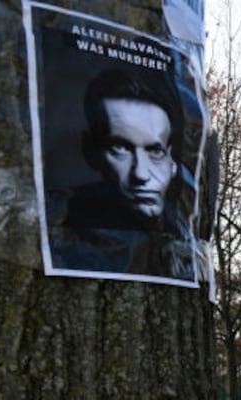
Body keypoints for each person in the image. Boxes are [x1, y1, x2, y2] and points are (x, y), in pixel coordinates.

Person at [46, 68, 194, 280]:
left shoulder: (183, 235)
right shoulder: (61, 231)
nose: (141, 174)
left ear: (173, 162)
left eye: (155, 151)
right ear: (91, 153)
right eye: (120, 149)